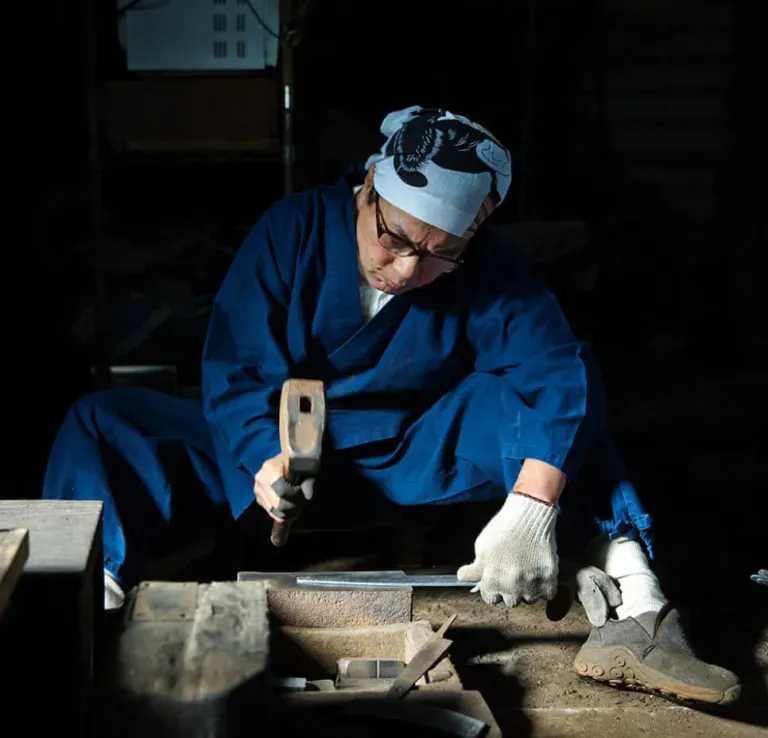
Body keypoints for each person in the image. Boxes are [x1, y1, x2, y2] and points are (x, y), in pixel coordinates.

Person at [43, 106, 739, 705]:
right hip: (278, 451)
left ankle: (638, 608)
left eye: (440, 255)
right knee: (105, 421)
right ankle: (80, 606)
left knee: (553, 402)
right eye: (396, 239)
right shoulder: (292, 229)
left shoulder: (489, 266)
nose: (408, 270)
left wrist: (533, 508)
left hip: (413, 446)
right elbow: (239, 366)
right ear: (370, 185)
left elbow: (556, 373)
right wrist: (264, 457)